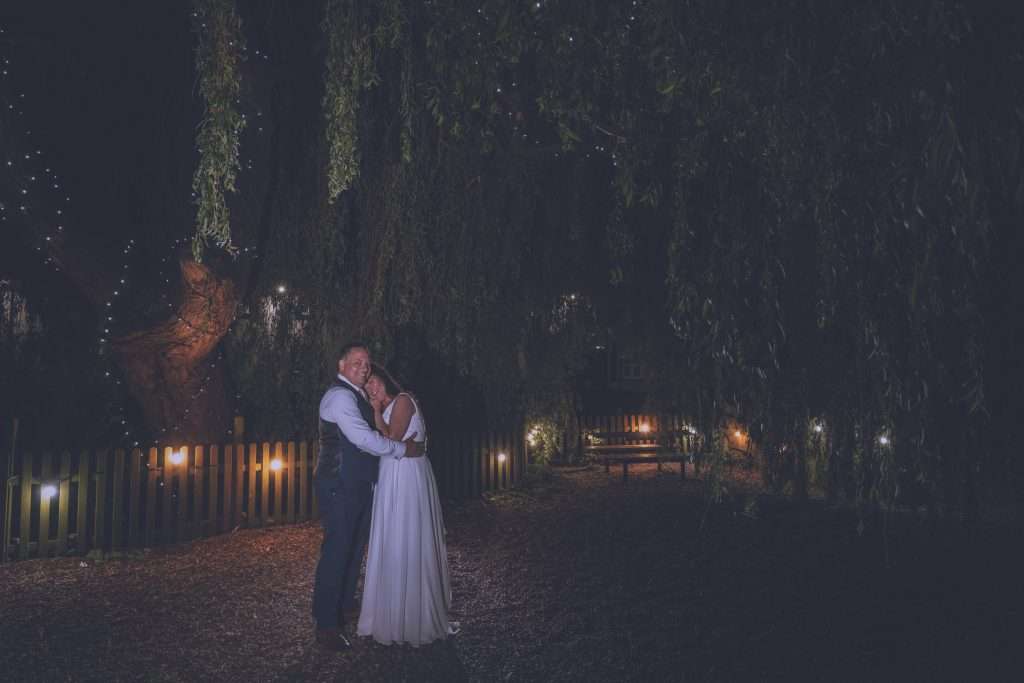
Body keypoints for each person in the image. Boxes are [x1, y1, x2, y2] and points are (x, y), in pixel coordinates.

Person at [312, 342, 424, 652]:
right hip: (337, 484)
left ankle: (345, 604)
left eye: (367, 363)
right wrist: (404, 450)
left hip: (357, 484)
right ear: (341, 365)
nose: (364, 367)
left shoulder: (358, 396)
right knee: (337, 550)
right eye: (357, 362)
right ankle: (326, 625)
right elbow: (362, 438)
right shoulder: (338, 397)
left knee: (353, 548)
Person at [357, 364, 457, 646]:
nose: (371, 388)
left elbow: (391, 439)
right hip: (392, 473)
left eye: (373, 381)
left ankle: (414, 615)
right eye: (366, 387)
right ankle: (391, 612)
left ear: (383, 379)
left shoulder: (402, 401)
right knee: (392, 536)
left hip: (408, 476)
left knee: (408, 534)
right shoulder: (387, 405)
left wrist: (376, 411)